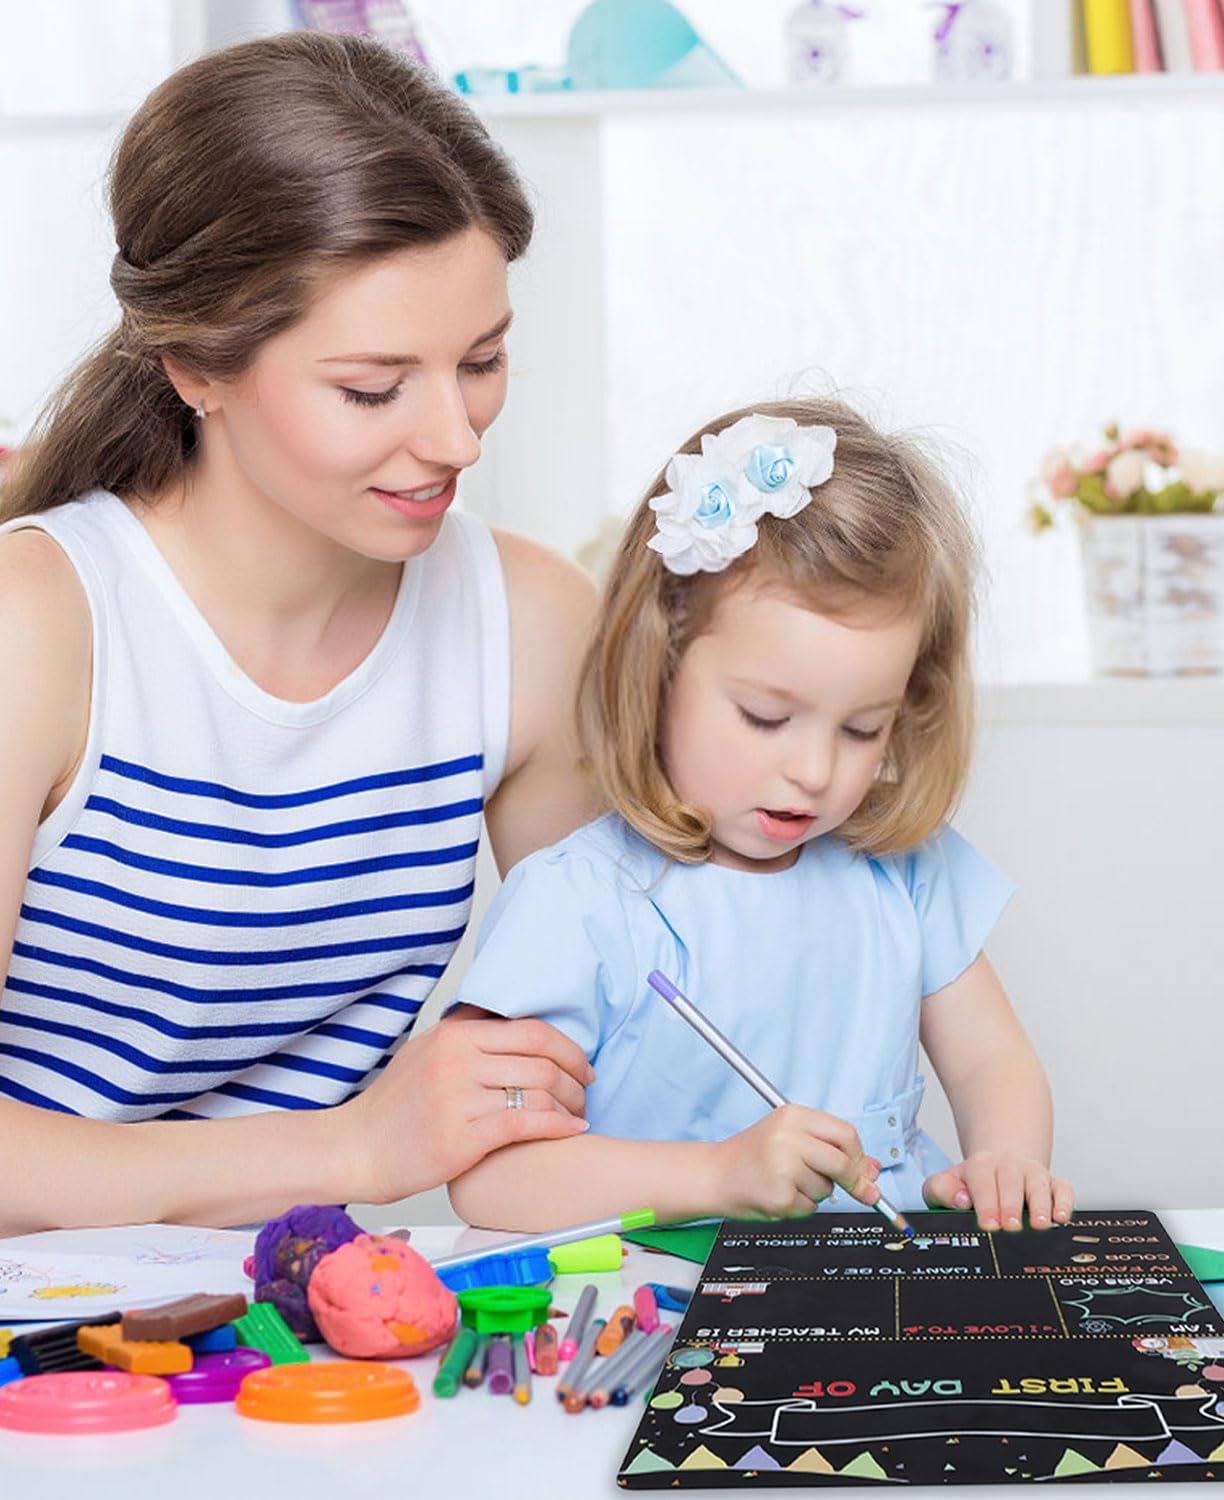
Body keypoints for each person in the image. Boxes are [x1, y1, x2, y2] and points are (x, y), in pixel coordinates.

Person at [0, 33, 604, 1235]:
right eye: (373, 388)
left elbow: (629, 1047)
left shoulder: (529, 629)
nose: (456, 439)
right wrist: (353, 1144)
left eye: (482, 362)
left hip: (306, 1315)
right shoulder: (41, 628)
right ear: (195, 365)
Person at [449, 398, 1072, 1233]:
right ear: (657, 666)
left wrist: (1007, 1158)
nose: (813, 771)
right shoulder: (576, 903)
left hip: (884, 1280)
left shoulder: (906, 872)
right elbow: (491, 1177)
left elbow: (993, 1058)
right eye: (766, 717)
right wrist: (717, 1175)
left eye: (863, 729)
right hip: (664, 1297)